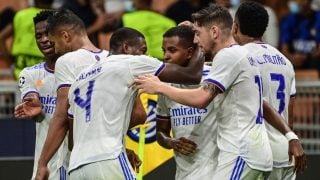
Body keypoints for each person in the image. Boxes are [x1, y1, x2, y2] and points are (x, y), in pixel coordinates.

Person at [134, 4, 306, 179]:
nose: (196, 41)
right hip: (252, 153)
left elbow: (202, 98)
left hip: (241, 151)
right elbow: (262, 104)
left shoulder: (227, 57)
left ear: (214, 32)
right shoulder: (240, 55)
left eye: (198, 34)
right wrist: (290, 136)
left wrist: (159, 86)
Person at [35, 9, 204, 179]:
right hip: (108, 157)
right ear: (126, 48)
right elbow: (193, 75)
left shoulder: (80, 80)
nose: (145, 55)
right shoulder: (129, 62)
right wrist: (197, 39)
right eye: (142, 50)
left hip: (77, 167)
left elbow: (73, 140)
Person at [232, 1, 300, 179]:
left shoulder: (239, 57)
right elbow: (290, 116)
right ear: (264, 29)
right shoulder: (285, 61)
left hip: (255, 156)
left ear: (235, 27)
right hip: (285, 152)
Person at [156, 25, 217, 179]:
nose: (166, 56)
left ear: (190, 52)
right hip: (184, 173)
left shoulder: (214, 76)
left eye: (172, 50)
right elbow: (160, 132)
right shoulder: (165, 86)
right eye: (164, 51)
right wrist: (171, 142)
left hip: (216, 171)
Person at [14, 10, 69, 180]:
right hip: (47, 169)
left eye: (48, 33)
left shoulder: (84, 72)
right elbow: (31, 97)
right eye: (39, 36)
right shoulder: (30, 74)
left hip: (79, 166)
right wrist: (33, 104)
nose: (44, 40)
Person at [0, 0, 54, 79]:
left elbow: (1, 37)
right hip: (46, 75)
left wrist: (10, 63)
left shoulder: (20, 15)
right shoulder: (57, 18)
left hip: (20, 73)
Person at [280, 0, 320, 69]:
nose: (295, 2)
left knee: (315, 63)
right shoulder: (288, 19)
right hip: (292, 59)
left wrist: (306, 57)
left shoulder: (318, 18)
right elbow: (284, 50)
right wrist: (292, 57)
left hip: (313, 59)